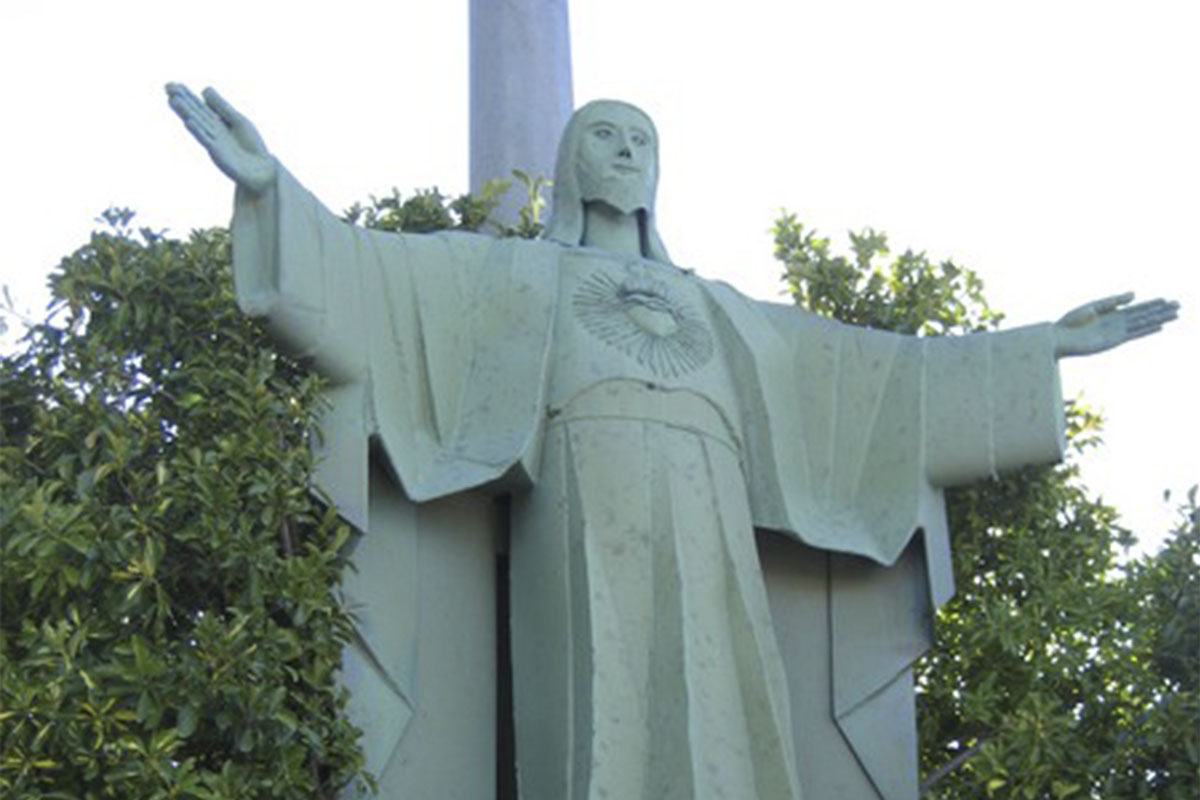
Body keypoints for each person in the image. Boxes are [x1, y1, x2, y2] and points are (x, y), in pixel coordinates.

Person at [167, 84, 1178, 800]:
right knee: (597, 685)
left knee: (731, 701)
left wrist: (1041, 349)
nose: (626, 152)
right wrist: (273, 195)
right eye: (605, 134)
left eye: (641, 138)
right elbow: (373, 280)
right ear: (572, 160)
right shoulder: (511, 279)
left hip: (712, 517)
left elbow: (882, 381)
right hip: (583, 493)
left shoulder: (726, 313)